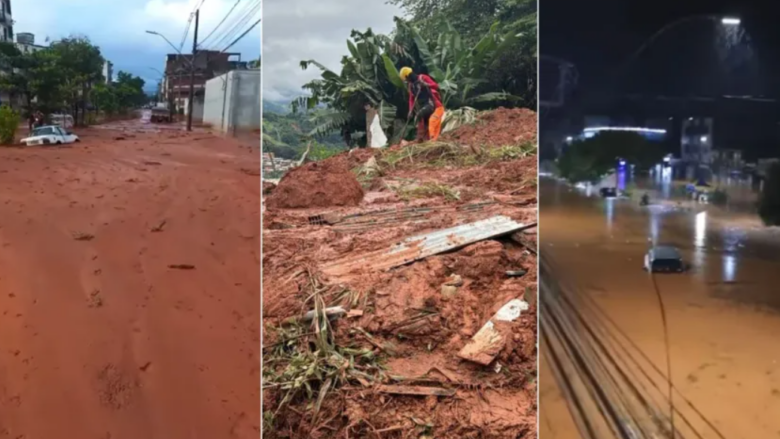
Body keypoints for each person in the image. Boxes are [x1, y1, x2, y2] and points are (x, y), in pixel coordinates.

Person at [399, 67, 445, 142]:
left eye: (406, 79)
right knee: (427, 125)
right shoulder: (411, 86)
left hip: (431, 103)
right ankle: (429, 140)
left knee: (420, 115)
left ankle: (431, 140)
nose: (407, 81)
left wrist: (426, 85)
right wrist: (410, 110)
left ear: (408, 76)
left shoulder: (422, 78)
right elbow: (411, 99)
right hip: (423, 105)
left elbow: (436, 86)